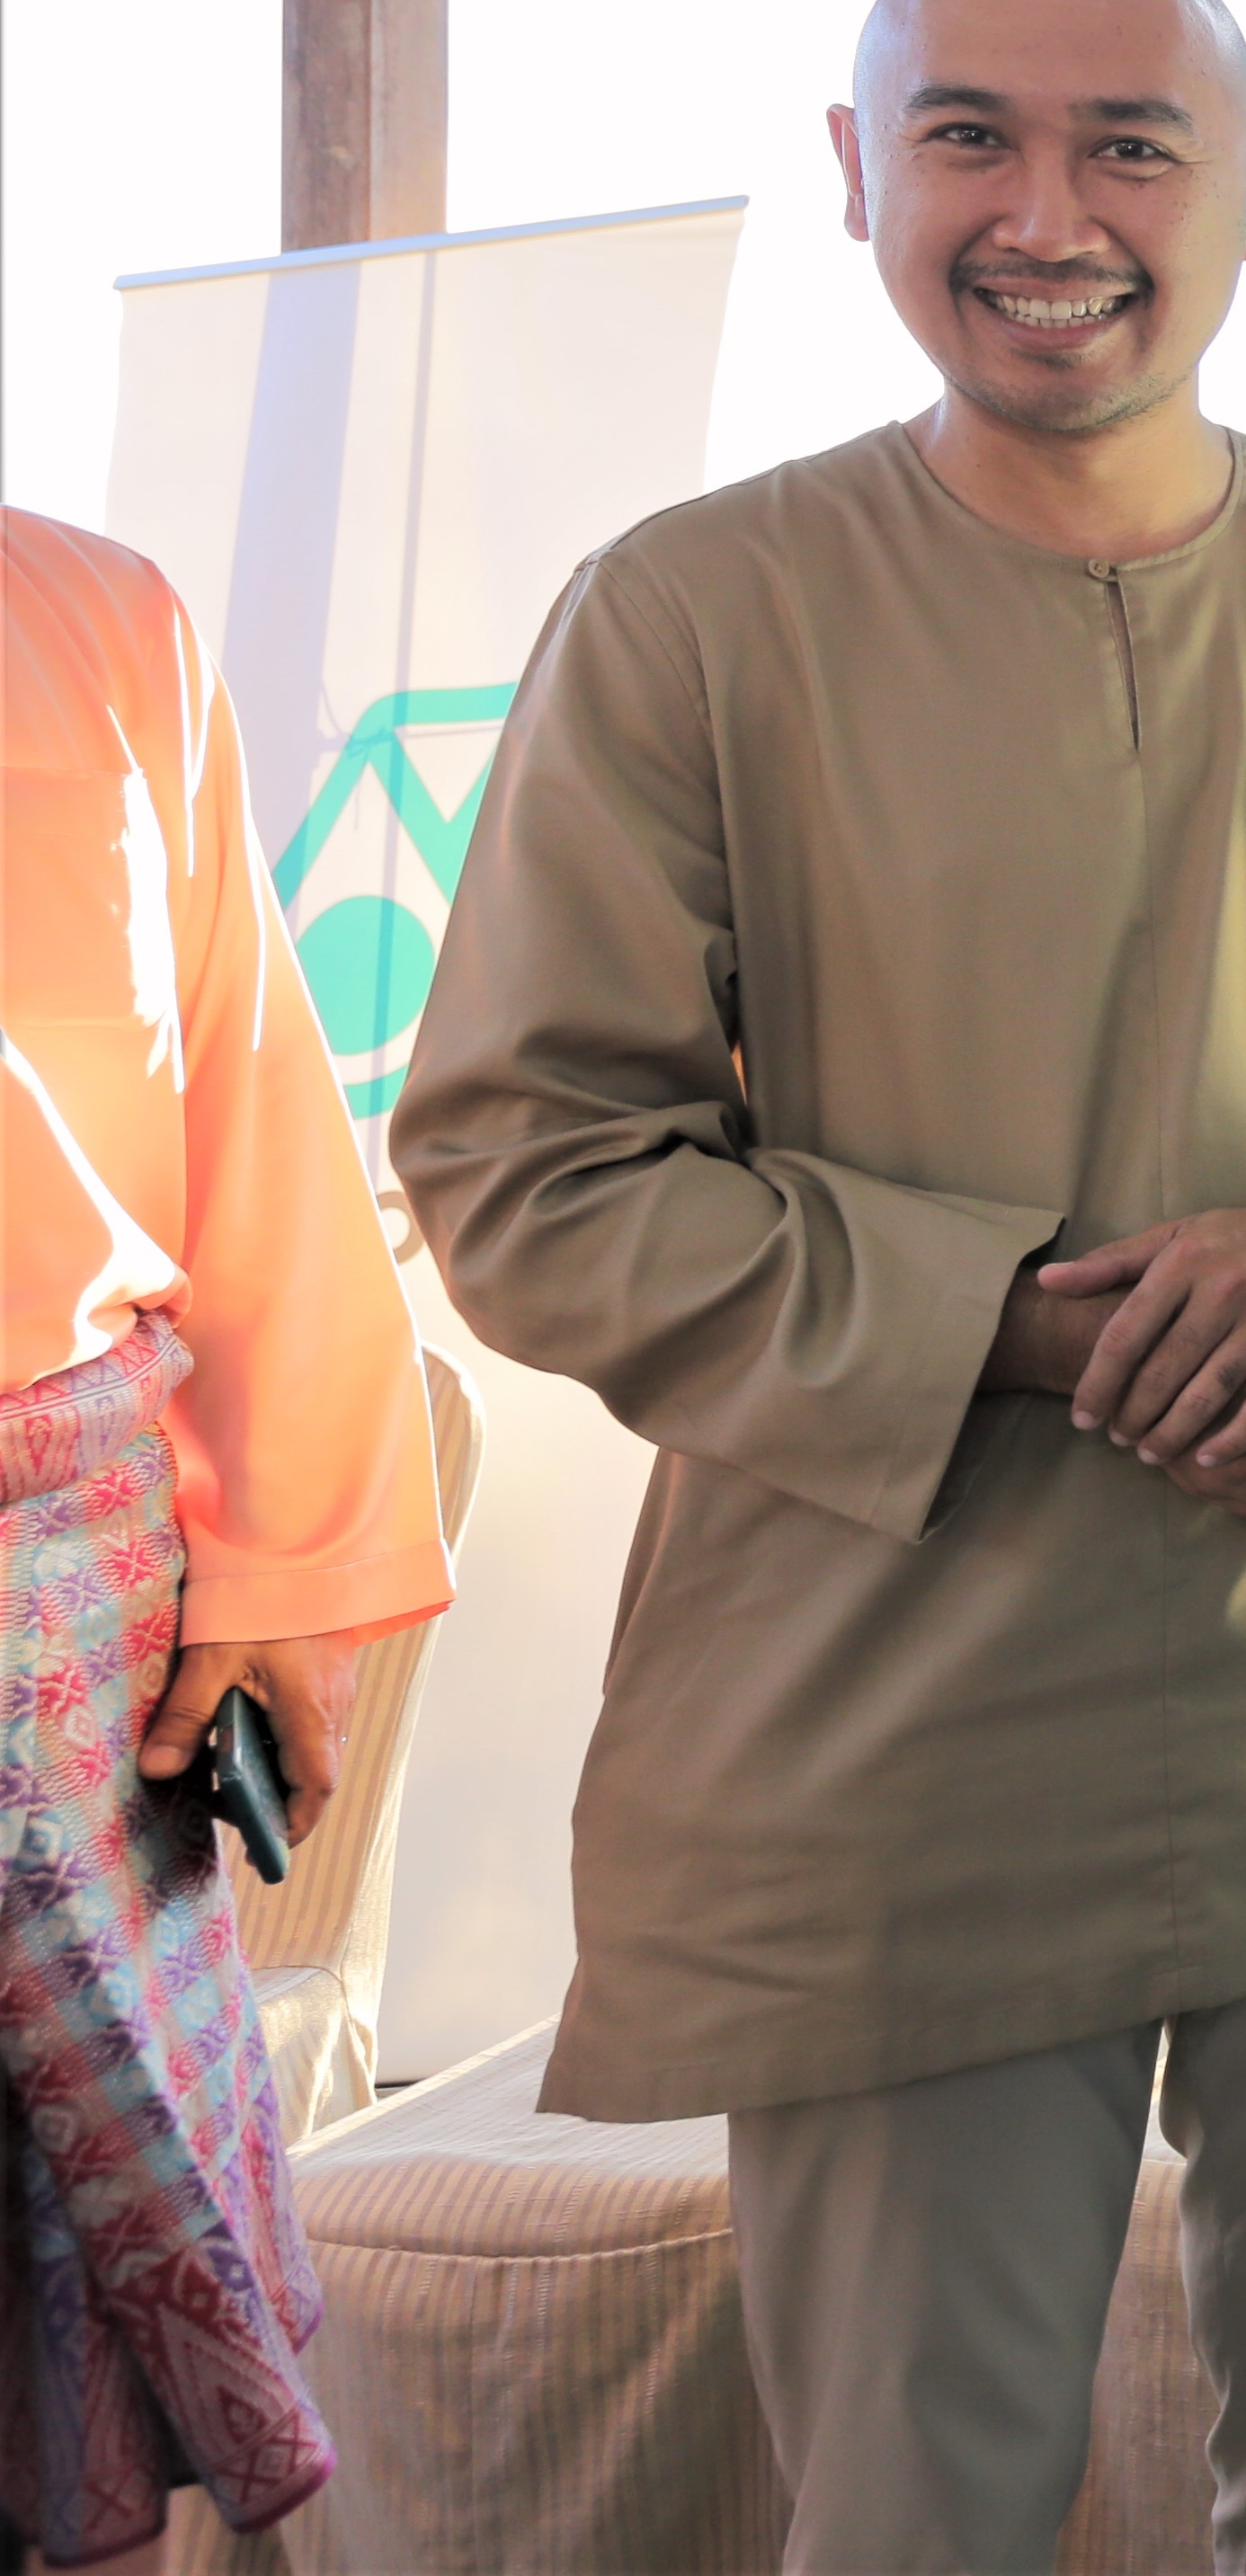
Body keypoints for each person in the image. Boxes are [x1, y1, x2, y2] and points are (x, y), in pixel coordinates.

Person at [394, 0, 1246, 2573]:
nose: (1048, 212)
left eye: (1131, 147)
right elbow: (527, 1164)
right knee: (921, 2512)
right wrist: (1021, 1325)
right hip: (901, 1727)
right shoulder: (692, 618)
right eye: (968, 135)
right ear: (857, 173)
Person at [4, 512, 451, 2566]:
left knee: (78, 2380)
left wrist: (278, 1568)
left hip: (66, 1601)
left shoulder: (95, 612)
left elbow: (253, 1102)